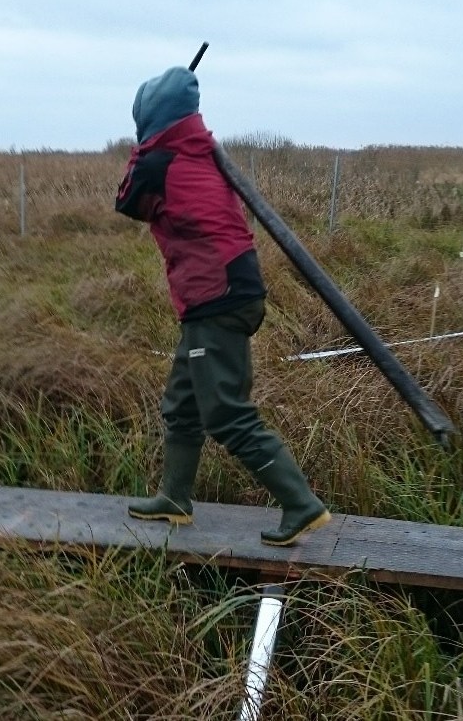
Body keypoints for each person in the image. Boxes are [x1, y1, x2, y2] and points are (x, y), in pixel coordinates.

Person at [114, 65, 330, 546]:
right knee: (182, 404)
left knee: (227, 413)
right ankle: (174, 499)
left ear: (149, 116)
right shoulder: (199, 152)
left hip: (215, 295)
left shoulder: (158, 162)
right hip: (220, 292)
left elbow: (126, 199)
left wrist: (141, 147)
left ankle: (301, 504)